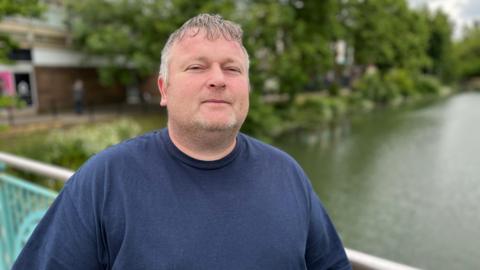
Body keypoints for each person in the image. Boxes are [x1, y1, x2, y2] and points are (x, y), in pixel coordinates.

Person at [12, 14, 351, 270]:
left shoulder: (286, 174)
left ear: (247, 88)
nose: (218, 79)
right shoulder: (106, 180)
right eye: (197, 67)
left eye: (232, 69)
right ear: (164, 89)